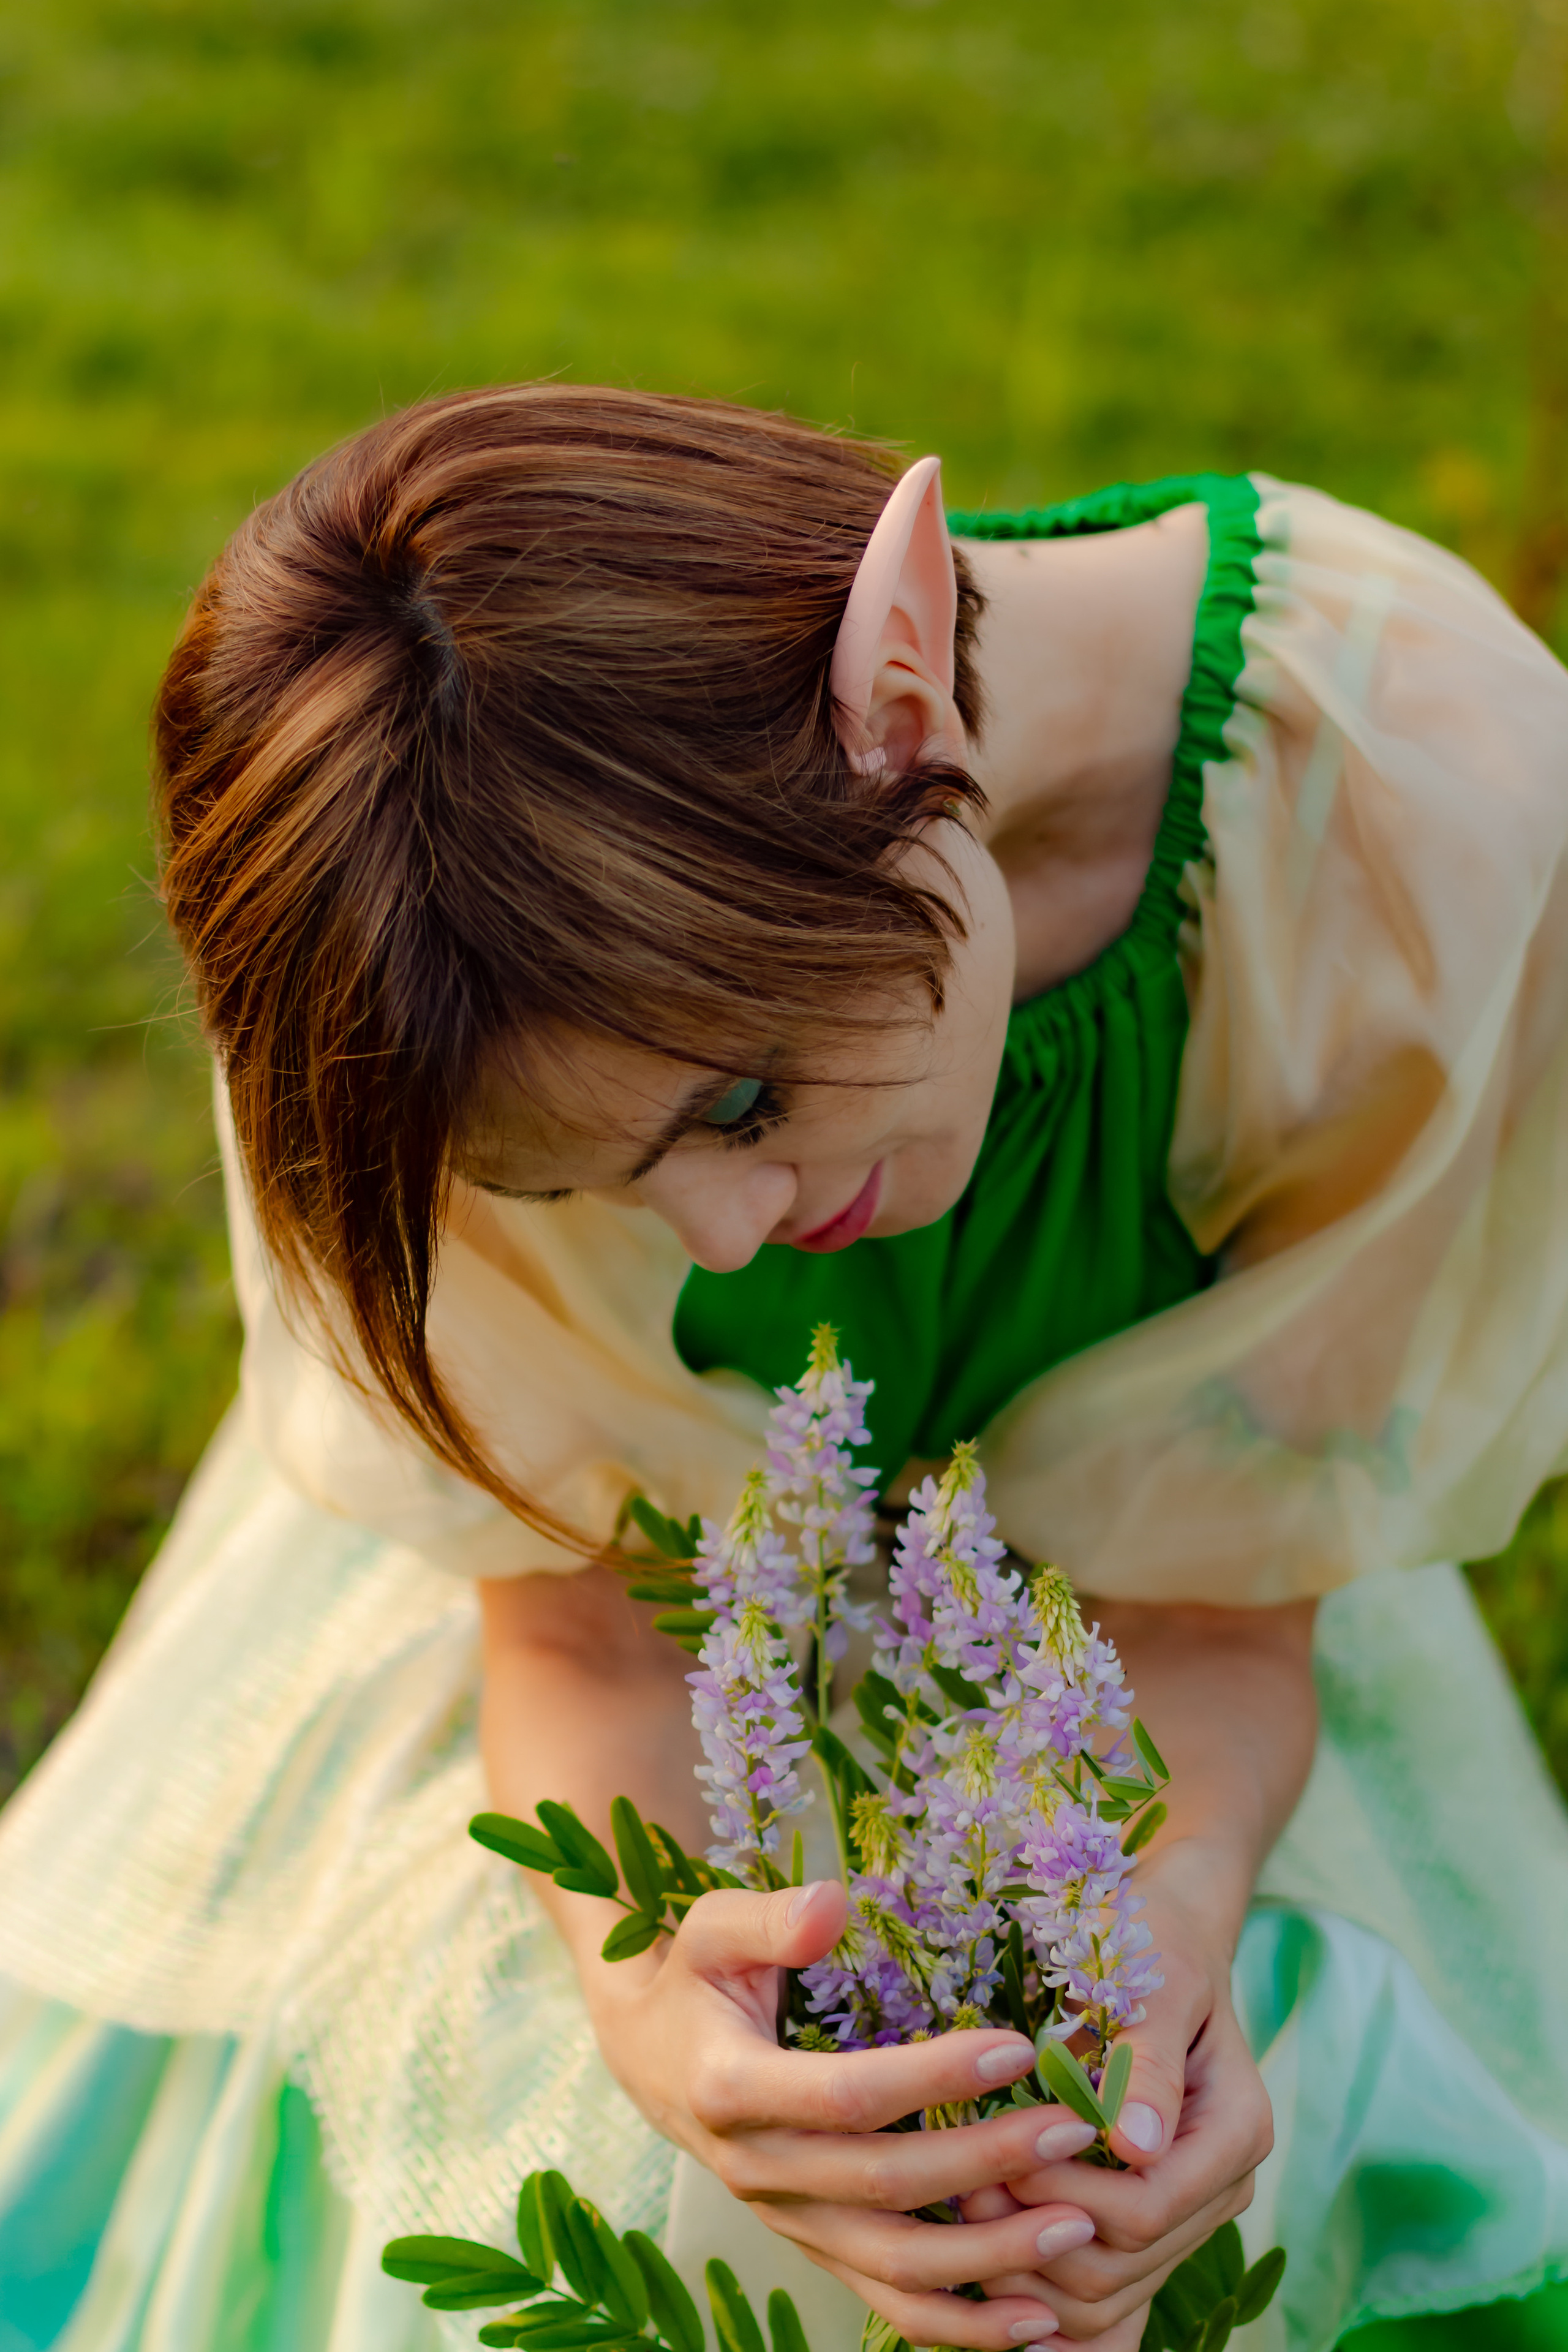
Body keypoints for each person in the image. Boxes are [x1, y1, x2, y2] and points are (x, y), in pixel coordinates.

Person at [1, 386, 1566, 2352]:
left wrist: (1161, 1922)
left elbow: (1210, 1600)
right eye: (591, 1186)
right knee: (524, 2120)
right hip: (615, 1613)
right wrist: (650, 1992)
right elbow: (579, 1631)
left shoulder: (1427, 814)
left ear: (903, 699)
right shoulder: (391, 927)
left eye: (741, 1098)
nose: (729, 1243)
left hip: (1142, 1655)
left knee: (1281, 2087)